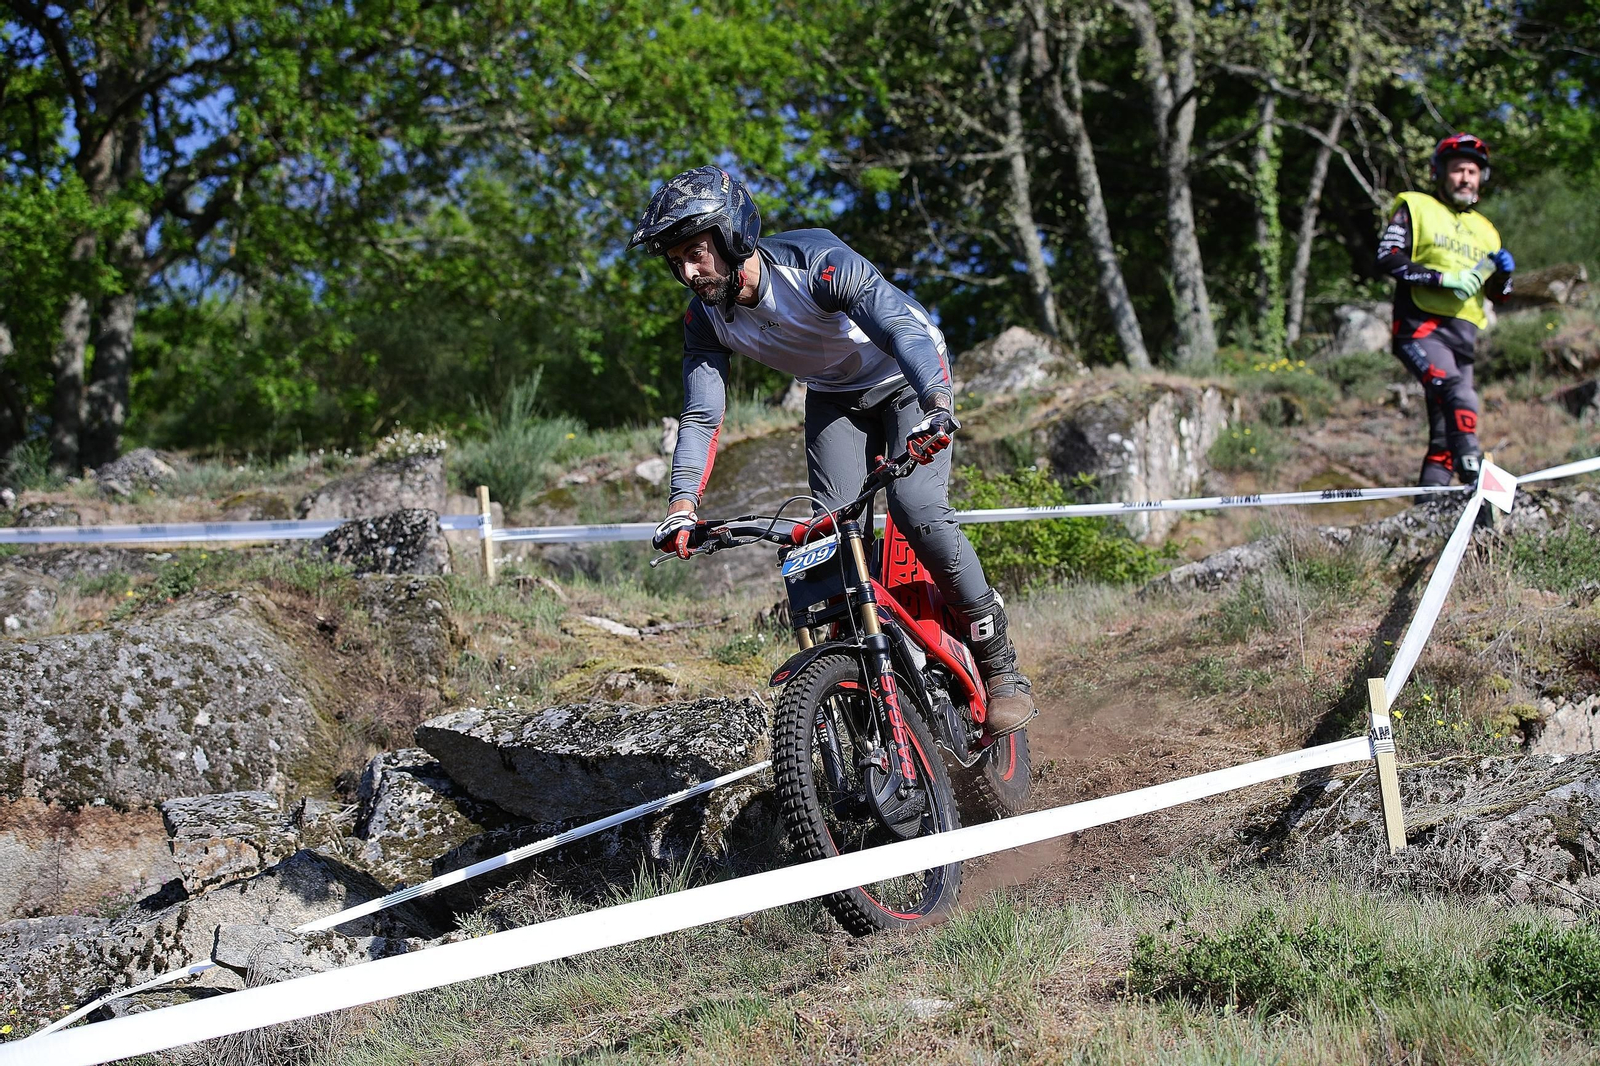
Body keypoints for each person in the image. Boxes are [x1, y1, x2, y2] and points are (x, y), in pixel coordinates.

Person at [627, 165, 1035, 736]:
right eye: (676, 261)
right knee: (825, 535)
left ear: (732, 234)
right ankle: (871, 676)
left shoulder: (816, 263)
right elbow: (702, 416)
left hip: (906, 378)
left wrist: (937, 404)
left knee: (915, 508)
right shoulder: (705, 319)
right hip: (833, 397)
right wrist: (681, 506)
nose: (688, 272)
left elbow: (900, 327)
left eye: (696, 252)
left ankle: (1000, 663)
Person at [1377, 132, 1514, 486]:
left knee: (1443, 439)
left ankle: (1427, 517)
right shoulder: (1416, 206)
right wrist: (1443, 279)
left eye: (1472, 171)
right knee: (1460, 394)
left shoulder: (1486, 231)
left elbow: (1499, 297)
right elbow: (1387, 257)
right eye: (1457, 170)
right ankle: (1474, 473)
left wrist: (1504, 277)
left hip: (1463, 337)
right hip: (1420, 327)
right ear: (1439, 172)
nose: (1466, 177)